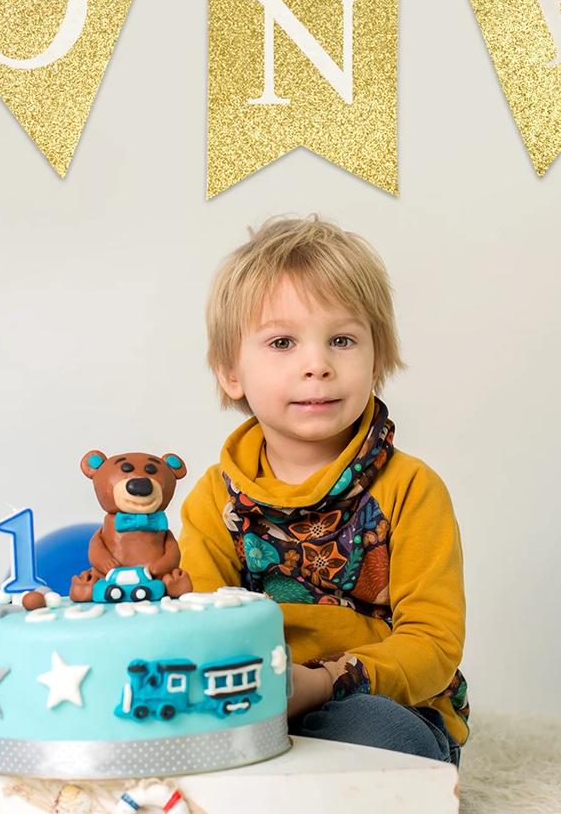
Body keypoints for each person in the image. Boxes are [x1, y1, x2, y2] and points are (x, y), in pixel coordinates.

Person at [178, 214, 469, 766]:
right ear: (230, 373)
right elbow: (203, 629)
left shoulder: (412, 489)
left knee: (380, 735)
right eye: (282, 342)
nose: (317, 365)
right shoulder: (213, 499)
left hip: (380, 702)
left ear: (377, 359)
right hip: (254, 705)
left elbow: (432, 643)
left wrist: (325, 682)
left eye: (342, 340)